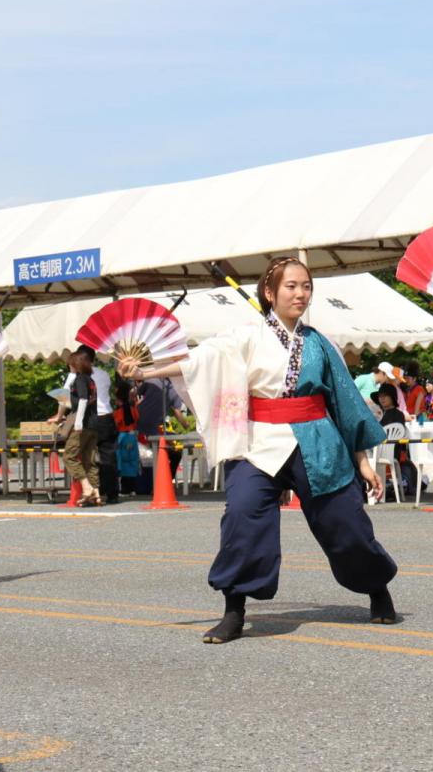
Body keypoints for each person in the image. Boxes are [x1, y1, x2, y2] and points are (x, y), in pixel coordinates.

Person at [121, 256, 397, 643]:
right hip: (257, 442)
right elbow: (197, 362)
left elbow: (346, 403)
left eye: (306, 286)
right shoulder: (244, 336)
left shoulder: (320, 343)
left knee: (345, 522)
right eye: (291, 286)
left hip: (318, 440)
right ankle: (234, 610)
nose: (301, 293)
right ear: (269, 292)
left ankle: (376, 588)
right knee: (242, 514)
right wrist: (145, 372)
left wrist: (363, 460)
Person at [56, 345, 118, 502]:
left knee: (79, 456)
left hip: (84, 420)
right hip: (106, 418)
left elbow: (63, 400)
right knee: (107, 457)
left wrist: (58, 416)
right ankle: (109, 493)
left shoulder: (75, 377)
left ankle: (88, 487)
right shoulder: (103, 374)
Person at [132, 375, 190, 495]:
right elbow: (178, 413)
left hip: (137, 422)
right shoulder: (174, 390)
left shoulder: (150, 380)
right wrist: (186, 425)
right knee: (174, 454)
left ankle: (158, 482)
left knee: (159, 451)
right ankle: (165, 481)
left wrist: (137, 404)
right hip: (152, 428)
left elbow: (134, 393)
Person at [64, 350, 104, 505]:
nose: (69, 366)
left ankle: (86, 487)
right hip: (95, 423)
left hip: (84, 424)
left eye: (71, 363)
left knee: (69, 456)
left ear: (77, 364)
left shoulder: (80, 379)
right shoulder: (90, 380)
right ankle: (96, 493)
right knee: (90, 459)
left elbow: (82, 400)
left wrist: (78, 422)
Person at [372, 384, 416, 497]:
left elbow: (395, 435)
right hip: (380, 451)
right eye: (380, 396)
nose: (382, 399)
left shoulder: (397, 414)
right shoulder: (380, 414)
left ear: (392, 397)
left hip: (391, 452)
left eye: (385, 396)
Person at [112, 378, 142, 494]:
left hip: (122, 437)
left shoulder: (118, 412)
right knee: (132, 462)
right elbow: (137, 418)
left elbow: (115, 424)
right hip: (132, 438)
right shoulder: (133, 409)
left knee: (122, 463)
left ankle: (124, 488)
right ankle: (132, 488)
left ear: (119, 399)